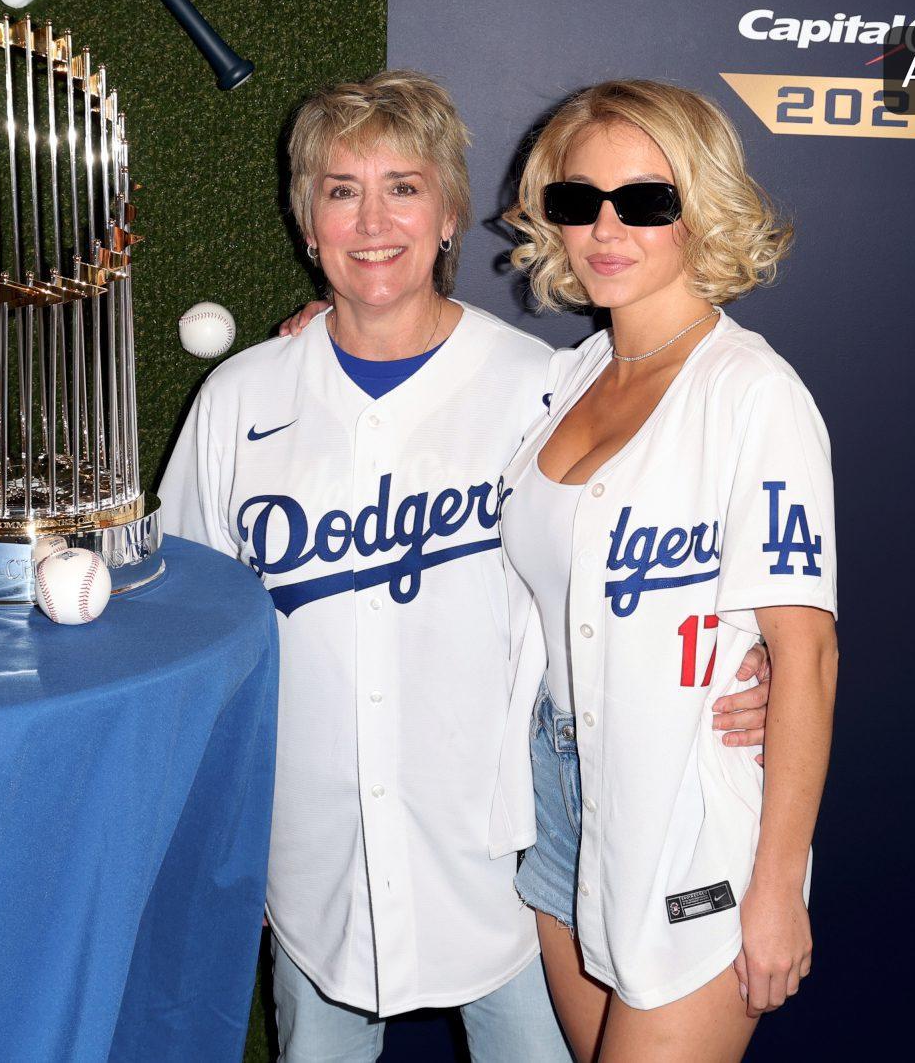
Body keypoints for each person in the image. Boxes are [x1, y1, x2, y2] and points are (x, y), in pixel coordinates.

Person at [160, 71, 773, 1062]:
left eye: (404, 187)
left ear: (449, 212)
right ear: (307, 222)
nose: (372, 222)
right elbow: (191, 634)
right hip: (313, 866)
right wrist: (223, 839)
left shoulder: (545, 386)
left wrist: (750, 660)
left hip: (509, 868)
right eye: (341, 190)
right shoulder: (240, 398)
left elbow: (657, 558)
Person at [492, 79, 838, 1062]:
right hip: (554, 803)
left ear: (702, 209)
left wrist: (778, 885)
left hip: (685, 816)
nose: (605, 229)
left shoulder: (752, 394)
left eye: (644, 201)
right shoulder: (563, 379)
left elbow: (806, 653)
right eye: (577, 200)